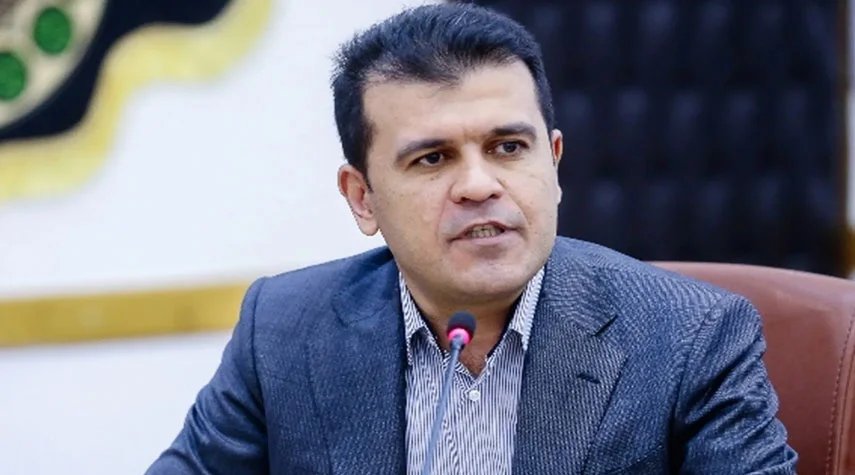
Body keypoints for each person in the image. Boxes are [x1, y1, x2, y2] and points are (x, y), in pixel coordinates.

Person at [147, 4, 797, 474]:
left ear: (554, 163)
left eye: (508, 147)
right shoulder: (283, 331)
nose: (479, 185)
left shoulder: (691, 336)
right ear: (362, 197)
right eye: (432, 159)